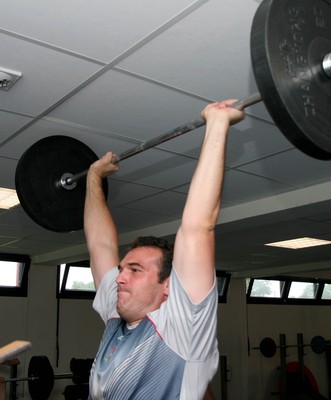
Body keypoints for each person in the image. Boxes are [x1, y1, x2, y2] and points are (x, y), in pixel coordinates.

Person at [84, 100, 245, 399]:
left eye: (135, 270)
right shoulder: (117, 314)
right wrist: (94, 176)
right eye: (122, 270)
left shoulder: (182, 327)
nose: (120, 278)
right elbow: (99, 243)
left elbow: (198, 228)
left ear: (168, 286)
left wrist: (218, 123)